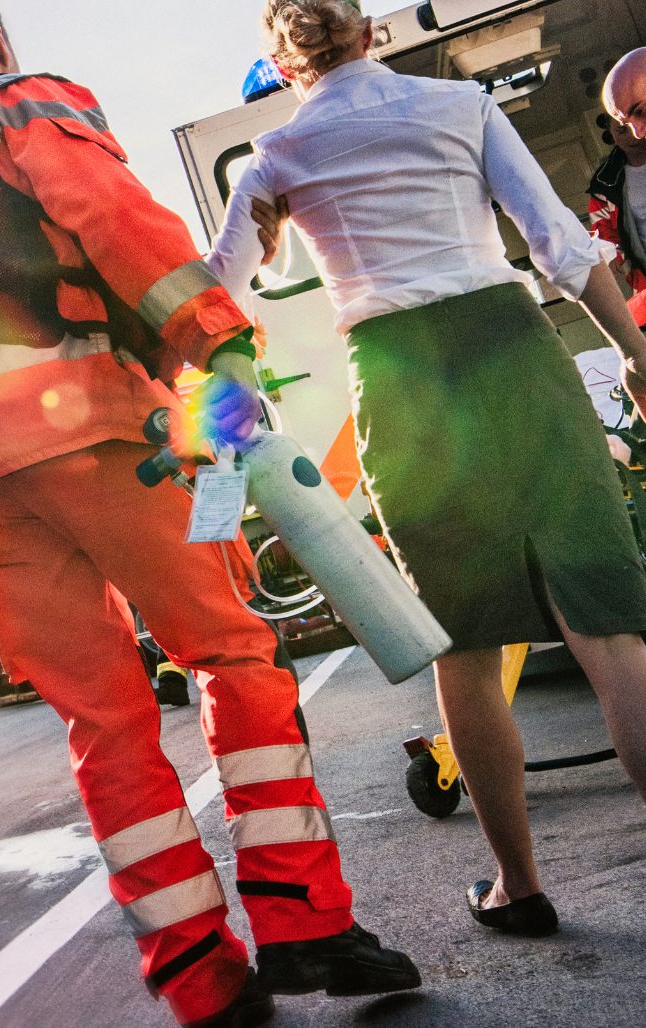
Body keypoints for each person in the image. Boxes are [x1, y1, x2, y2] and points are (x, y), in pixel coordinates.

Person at [0, 3, 419, 1025]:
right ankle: (302, 925)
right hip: (83, 426)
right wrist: (223, 345)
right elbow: (113, 219)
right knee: (231, 653)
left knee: (102, 724)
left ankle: (200, 979)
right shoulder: (18, 101)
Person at [209, 0, 646, 939]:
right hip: (511, 347)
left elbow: (216, 301)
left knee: (464, 649)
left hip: (398, 377)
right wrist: (636, 354)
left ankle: (518, 887)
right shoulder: (461, 108)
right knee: (609, 630)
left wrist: (227, 435)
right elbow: (558, 244)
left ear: (283, 67)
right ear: (370, 32)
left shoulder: (276, 158)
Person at [590, 49, 646, 329]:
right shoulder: (604, 186)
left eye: (641, 112)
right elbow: (606, 245)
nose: (637, 133)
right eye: (623, 126)